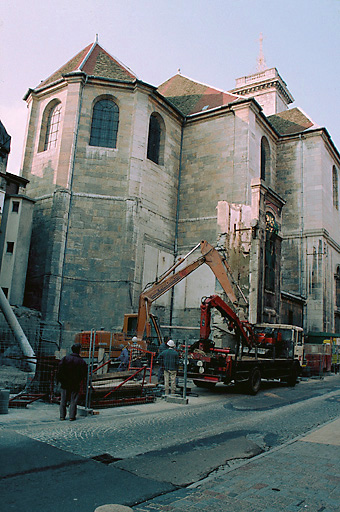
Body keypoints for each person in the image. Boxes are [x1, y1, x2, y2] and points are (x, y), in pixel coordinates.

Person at [57, 343, 88, 421]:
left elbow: (59, 370)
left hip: (64, 383)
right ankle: (72, 416)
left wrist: (60, 380)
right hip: (75, 383)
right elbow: (84, 374)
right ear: (79, 350)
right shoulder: (82, 362)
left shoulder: (65, 359)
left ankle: (62, 416)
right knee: (73, 401)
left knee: (63, 400)